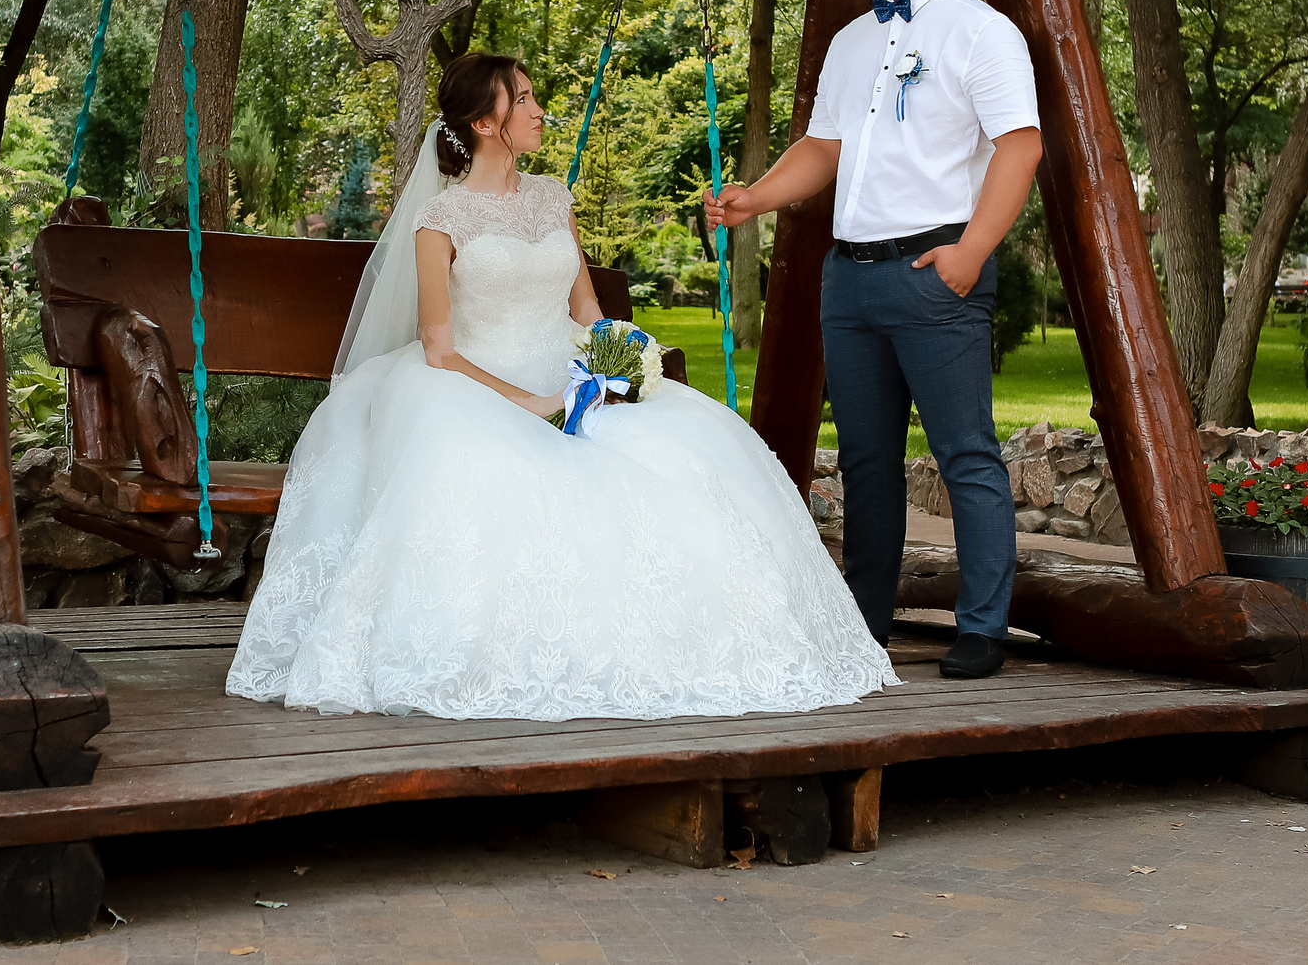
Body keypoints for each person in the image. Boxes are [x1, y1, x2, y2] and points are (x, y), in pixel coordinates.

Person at [229, 52, 894, 720]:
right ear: (485, 121)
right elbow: (439, 347)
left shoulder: (553, 198)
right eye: (522, 99)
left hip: (567, 370)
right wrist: (526, 402)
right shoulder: (441, 218)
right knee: (497, 476)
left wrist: (622, 356)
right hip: (471, 384)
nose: (538, 109)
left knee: (691, 459)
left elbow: (586, 309)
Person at [706, 0, 1041, 680]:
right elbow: (822, 149)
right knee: (864, 460)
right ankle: (867, 622)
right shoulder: (852, 41)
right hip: (848, 279)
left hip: (935, 271)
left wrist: (970, 252)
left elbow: (1020, 147)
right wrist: (753, 197)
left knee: (965, 452)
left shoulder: (982, 33)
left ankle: (983, 626)